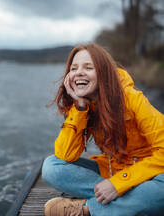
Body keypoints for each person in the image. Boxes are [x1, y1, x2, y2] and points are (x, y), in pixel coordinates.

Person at [42, 43, 164, 216]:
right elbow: (66, 155)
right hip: (112, 170)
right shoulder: (84, 104)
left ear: (104, 73)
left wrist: (119, 184)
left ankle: (88, 209)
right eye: (74, 68)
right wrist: (80, 106)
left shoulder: (132, 98)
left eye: (88, 67)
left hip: (148, 174)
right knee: (51, 167)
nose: (79, 72)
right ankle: (131, 203)